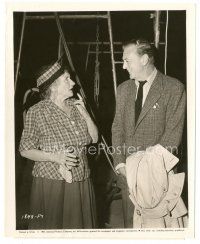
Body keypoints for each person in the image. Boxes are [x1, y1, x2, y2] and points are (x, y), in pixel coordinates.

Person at [111, 38, 186, 228]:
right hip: (127, 175)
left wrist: (144, 170)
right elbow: (117, 127)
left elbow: (172, 136)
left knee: (159, 231)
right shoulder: (123, 89)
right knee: (132, 226)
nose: (123, 66)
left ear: (144, 59)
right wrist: (120, 164)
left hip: (159, 176)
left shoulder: (173, 88)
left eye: (127, 60)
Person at [19, 61, 98, 229]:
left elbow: (95, 138)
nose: (73, 83)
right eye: (67, 79)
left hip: (81, 177)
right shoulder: (37, 111)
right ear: (53, 86)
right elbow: (25, 150)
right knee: (53, 228)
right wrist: (56, 157)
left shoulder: (76, 107)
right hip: (52, 181)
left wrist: (85, 113)